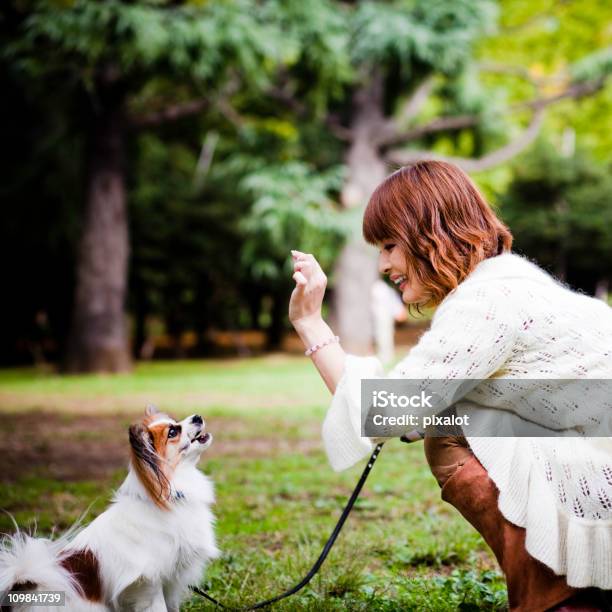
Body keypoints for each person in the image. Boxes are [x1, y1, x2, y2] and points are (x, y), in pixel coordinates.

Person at [288, 160, 612, 612]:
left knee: (447, 433)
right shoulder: (509, 281)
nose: (383, 264)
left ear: (429, 234)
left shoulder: (486, 302)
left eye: (389, 245)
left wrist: (308, 322)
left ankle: (563, 601)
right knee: (453, 419)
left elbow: (384, 411)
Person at [371, 278, 407, 365]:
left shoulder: (379, 288)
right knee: (383, 338)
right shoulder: (381, 288)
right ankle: (384, 358)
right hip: (380, 317)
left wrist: (399, 312)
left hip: (383, 317)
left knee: (385, 338)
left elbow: (391, 301)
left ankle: (385, 359)